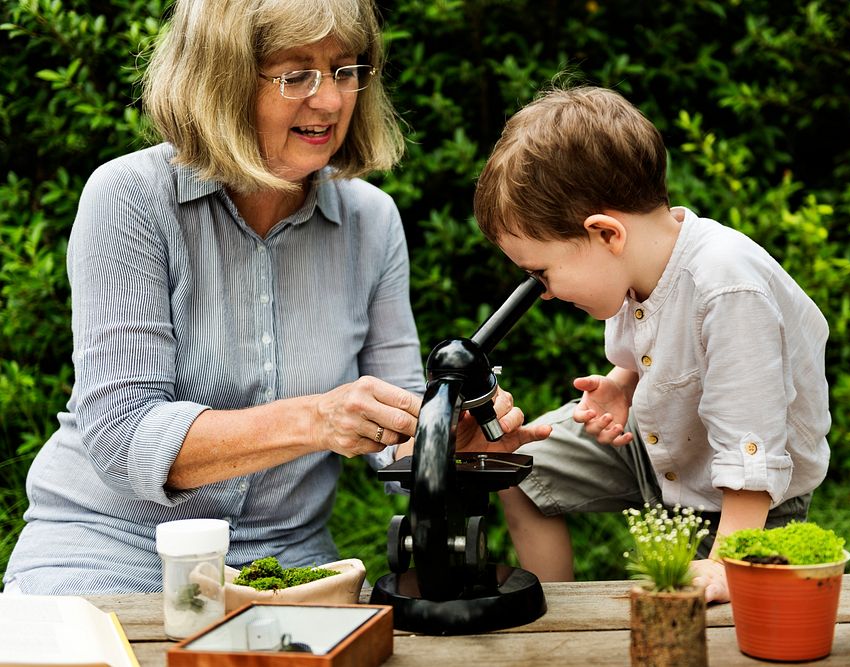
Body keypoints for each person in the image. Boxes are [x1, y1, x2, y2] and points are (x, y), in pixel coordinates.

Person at [3, 0, 549, 595]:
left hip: (289, 565)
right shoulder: (130, 197)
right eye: (296, 75)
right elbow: (122, 433)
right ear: (222, 82)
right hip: (115, 548)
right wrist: (315, 419)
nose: (332, 100)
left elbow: (394, 441)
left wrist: (444, 439)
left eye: (345, 70)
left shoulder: (372, 220)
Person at [473, 86, 831, 603]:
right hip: (662, 443)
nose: (543, 293)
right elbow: (659, 348)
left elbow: (752, 446)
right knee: (519, 467)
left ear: (606, 234)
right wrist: (622, 384)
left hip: (748, 503)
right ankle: (552, 618)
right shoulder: (634, 268)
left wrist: (727, 560)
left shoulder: (728, 287)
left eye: (541, 272)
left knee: (709, 623)